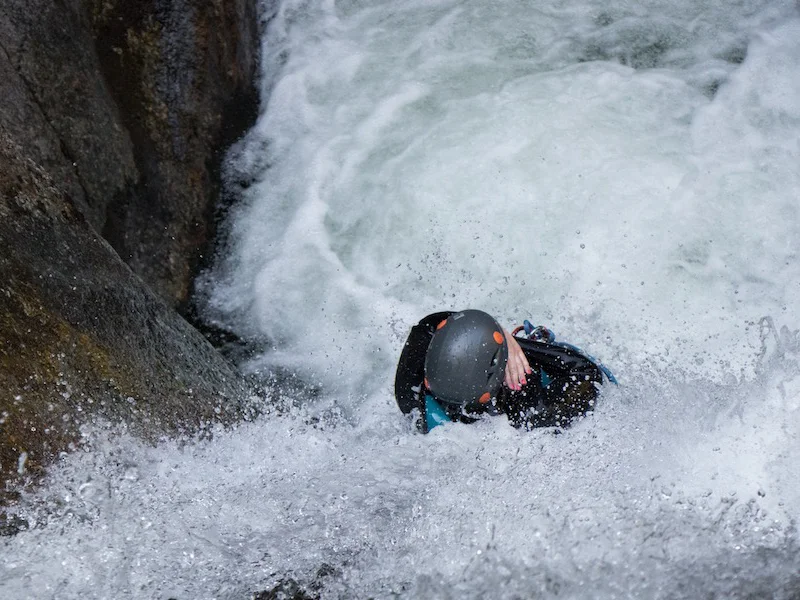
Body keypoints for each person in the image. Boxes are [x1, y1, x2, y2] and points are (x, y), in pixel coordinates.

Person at [394, 309, 616, 433]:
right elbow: (589, 373)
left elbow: (428, 325)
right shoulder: (530, 414)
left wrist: (501, 337)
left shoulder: (411, 398)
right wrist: (514, 349)